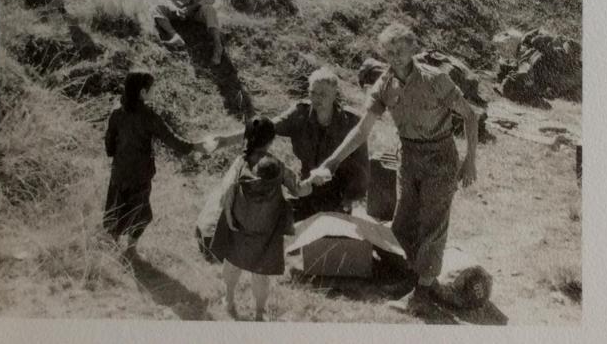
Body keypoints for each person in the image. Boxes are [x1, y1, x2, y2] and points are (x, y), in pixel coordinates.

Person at [310, 23, 478, 314]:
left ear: (413, 48)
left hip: (440, 157)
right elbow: (362, 130)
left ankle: (421, 296)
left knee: (433, 224)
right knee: (403, 224)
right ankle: (416, 281)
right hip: (409, 157)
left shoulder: (435, 78)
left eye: (401, 49)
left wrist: (470, 160)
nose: (396, 56)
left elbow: (471, 116)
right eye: (390, 51)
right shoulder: (384, 85)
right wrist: (331, 162)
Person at [204, 67, 369, 220]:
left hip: (337, 196)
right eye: (313, 92)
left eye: (323, 94)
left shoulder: (351, 123)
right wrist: (225, 140)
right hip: (306, 188)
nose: (317, 98)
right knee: (272, 222)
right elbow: (264, 127)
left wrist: (349, 199)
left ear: (335, 94)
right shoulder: (300, 114)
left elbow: (362, 169)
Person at [209, 116, 312, 321]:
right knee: (261, 273)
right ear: (271, 140)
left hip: (240, 225)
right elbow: (299, 190)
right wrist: (313, 181)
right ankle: (259, 313)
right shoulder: (277, 166)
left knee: (233, 263)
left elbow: (226, 192)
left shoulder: (241, 163)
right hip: (267, 231)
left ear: (247, 138)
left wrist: (229, 216)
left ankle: (229, 300)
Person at [103, 70, 205, 255]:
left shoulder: (117, 112)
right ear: (143, 92)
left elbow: (109, 144)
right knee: (142, 215)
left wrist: (118, 156)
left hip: (119, 172)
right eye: (152, 88)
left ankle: (112, 247)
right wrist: (195, 147)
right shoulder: (148, 115)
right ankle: (130, 250)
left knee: (117, 210)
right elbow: (172, 139)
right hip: (139, 175)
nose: (154, 91)